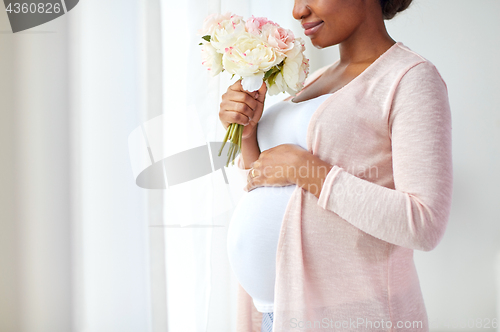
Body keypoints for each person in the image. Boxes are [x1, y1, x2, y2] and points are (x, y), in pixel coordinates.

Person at [219, 0, 453, 331]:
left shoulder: (410, 79)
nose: (298, 10)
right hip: (276, 314)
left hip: (351, 316)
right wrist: (247, 134)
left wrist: (307, 170)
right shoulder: (315, 79)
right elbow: (271, 183)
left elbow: (424, 223)